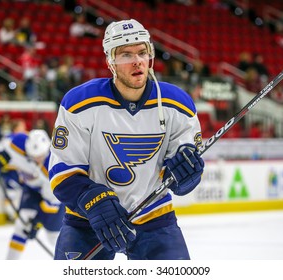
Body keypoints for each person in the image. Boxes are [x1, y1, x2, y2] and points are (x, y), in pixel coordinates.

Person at [49, 19, 205, 260]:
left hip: (153, 217)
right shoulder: (79, 103)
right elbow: (62, 172)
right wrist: (93, 200)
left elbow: (178, 173)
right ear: (110, 61)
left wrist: (186, 174)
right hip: (89, 219)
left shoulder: (177, 104)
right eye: (125, 54)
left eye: (142, 52)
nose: (137, 61)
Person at [0, 129, 65, 259]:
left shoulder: (54, 168)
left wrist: (37, 222)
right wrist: (0, 160)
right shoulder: (18, 143)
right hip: (32, 190)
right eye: (33, 157)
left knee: (53, 237)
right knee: (21, 226)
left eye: (39, 157)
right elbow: (7, 151)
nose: (36, 161)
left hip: (53, 202)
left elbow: (52, 203)